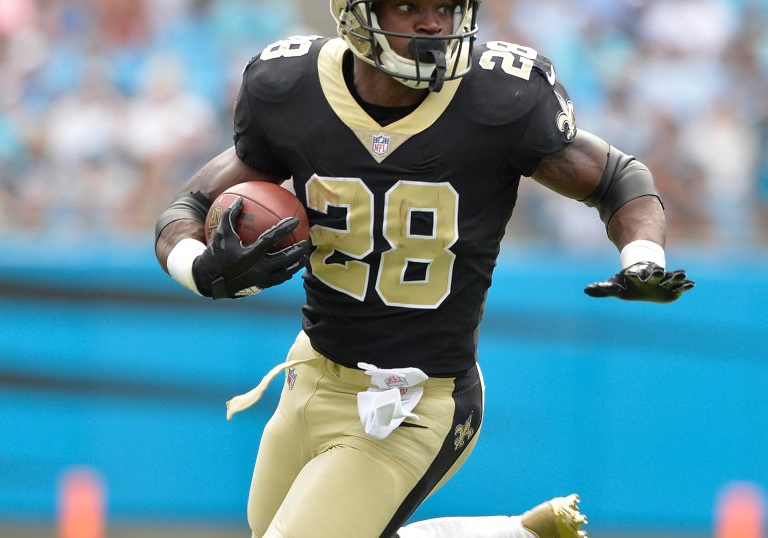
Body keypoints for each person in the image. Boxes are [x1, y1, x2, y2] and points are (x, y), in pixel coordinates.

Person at [153, 1, 694, 536]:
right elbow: (187, 209)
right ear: (355, 13)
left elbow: (618, 178)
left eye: (445, 5)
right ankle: (510, 535)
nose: (433, 22)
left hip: (417, 400)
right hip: (312, 372)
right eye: (409, 5)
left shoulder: (500, 98)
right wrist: (198, 268)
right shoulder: (291, 87)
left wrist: (642, 256)